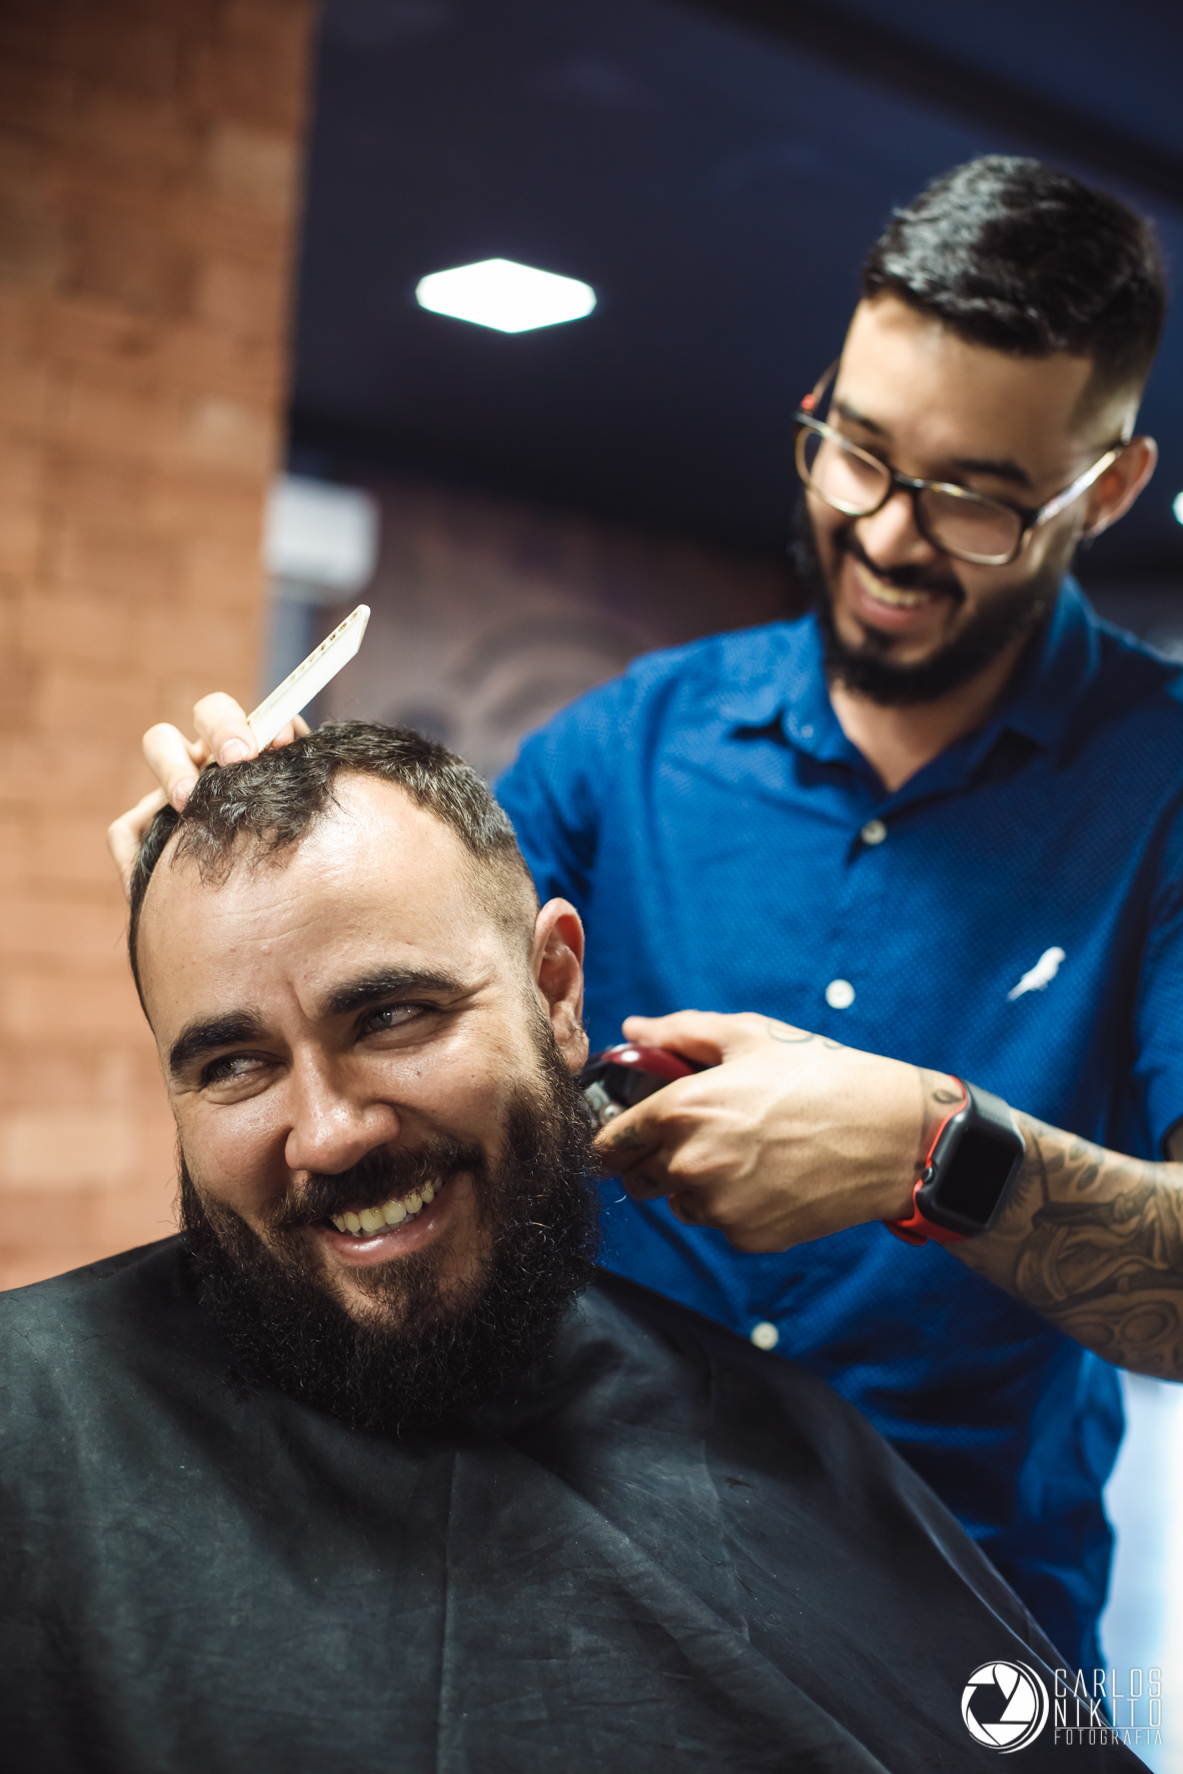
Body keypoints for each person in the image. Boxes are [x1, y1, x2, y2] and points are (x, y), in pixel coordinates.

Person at [106, 157, 1181, 1676]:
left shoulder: (1163, 789)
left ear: (1106, 486)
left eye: (978, 499)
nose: (881, 533)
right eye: (853, 452)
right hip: (613, 1583)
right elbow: (405, 1011)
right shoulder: (634, 743)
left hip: (970, 1628)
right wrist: (226, 902)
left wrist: (934, 1155)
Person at [5, 723, 1142, 1774]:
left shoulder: (809, 1469)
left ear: (556, 990)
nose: (330, 1132)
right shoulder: (40, 1423)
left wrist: (937, 1146)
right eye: (229, 1062)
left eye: (395, 1014)